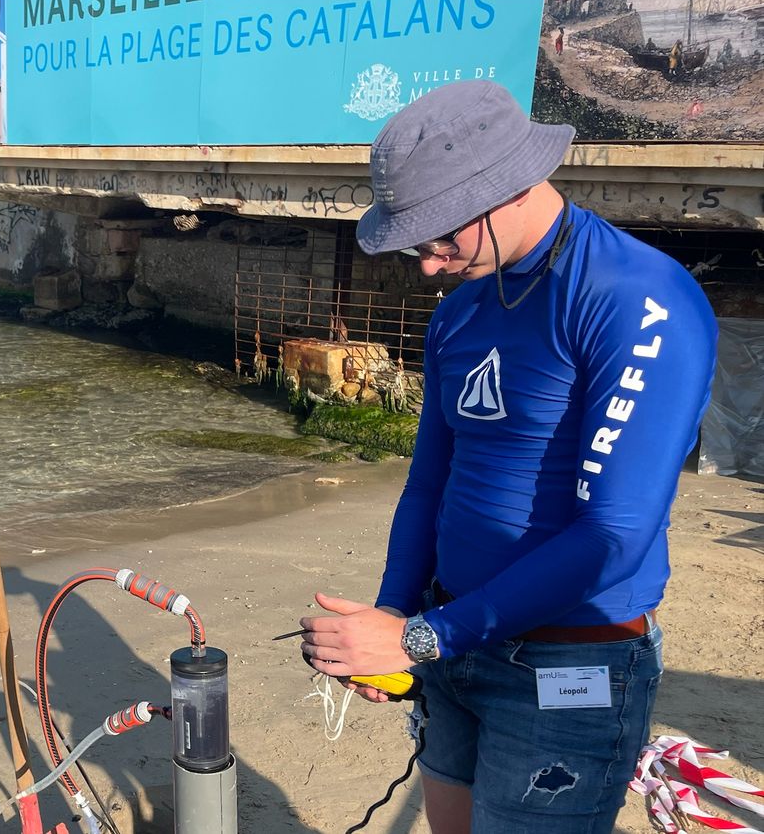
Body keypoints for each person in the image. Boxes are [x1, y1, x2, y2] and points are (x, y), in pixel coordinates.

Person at [299, 80, 716, 833]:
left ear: (503, 191)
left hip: (568, 665)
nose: (427, 264)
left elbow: (613, 533)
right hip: (451, 638)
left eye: (439, 236)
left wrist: (422, 635)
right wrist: (397, 612)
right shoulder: (459, 311)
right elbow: (430, 482)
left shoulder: (638, 298)